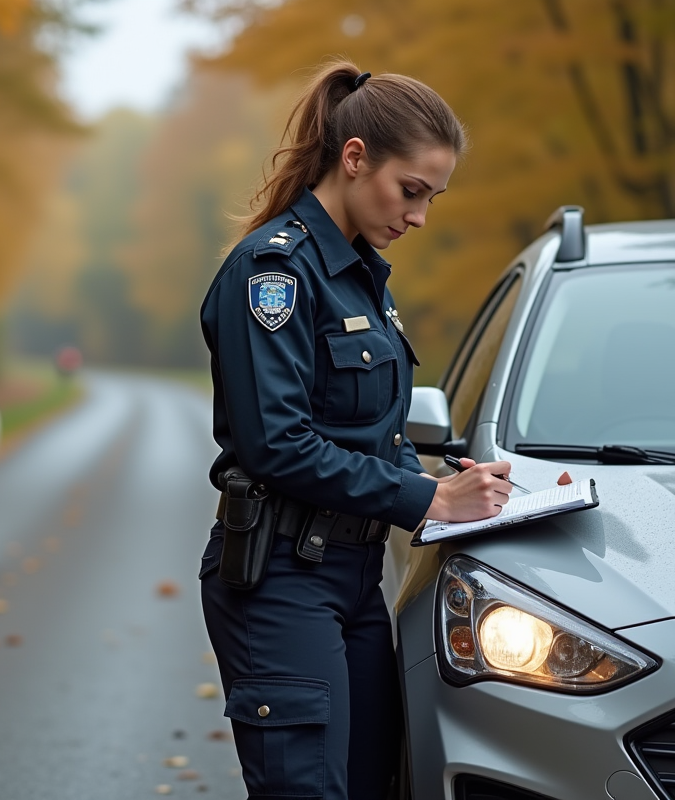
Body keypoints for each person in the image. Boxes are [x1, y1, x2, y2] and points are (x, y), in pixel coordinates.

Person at [197, 62, 514, 800]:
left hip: (355, 579)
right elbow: (278, 443)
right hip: (279, 578)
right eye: (411, 191)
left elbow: (372, 429)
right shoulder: (270, 275)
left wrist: (453, 484)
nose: (420, 216)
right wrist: (427, 501)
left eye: (433, 198)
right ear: (354, 157)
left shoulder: (362, 278)